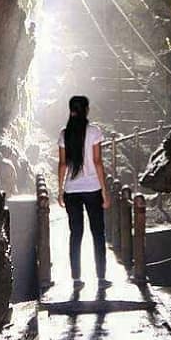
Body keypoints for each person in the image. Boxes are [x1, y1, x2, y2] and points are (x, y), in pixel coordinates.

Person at [57, 95, 111, 289]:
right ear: (86, 110)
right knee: (98, 232)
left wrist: (60, 189)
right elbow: (97, 162)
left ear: (71, 110)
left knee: (76, 233)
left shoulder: (64, 134)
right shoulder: (94, 132)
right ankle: (101, 278)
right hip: (92, 188)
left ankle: (76, 279)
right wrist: (105, 191)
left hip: (72, 190)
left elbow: (63, 164)